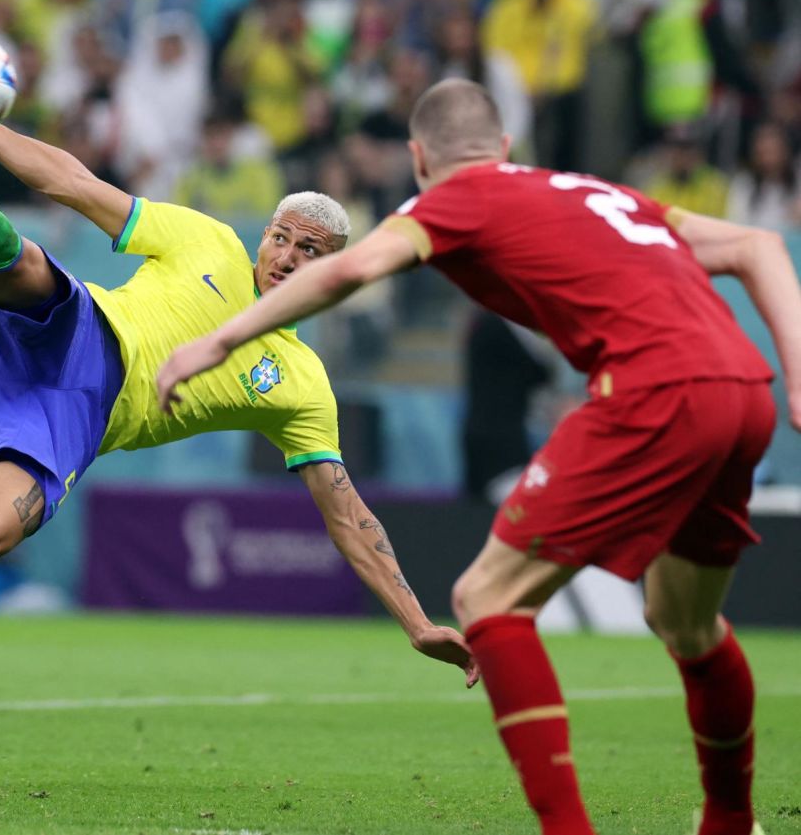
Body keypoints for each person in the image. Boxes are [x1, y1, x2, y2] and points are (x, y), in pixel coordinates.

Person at [157, 78, 798, 835]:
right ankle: (731, 822)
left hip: (655, 389)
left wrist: (222, 336)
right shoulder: (603, 194)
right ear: (502, 146)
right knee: (683, 621)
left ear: (419, 157)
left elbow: (353, 268)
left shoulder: (457, 197)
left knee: (488, 599)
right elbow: (759, 245)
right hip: (743, 388)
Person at [0, 54, 478, 687]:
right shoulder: (209, 242)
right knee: (2, 251)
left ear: (338, 268)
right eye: (282, 237)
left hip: (68, 422)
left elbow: (347, 515)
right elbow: (74, 183)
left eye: (311, 250)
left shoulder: (302, 382)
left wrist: (416, 623)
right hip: (83, 332)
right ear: (262, 238)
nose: (287, 256)